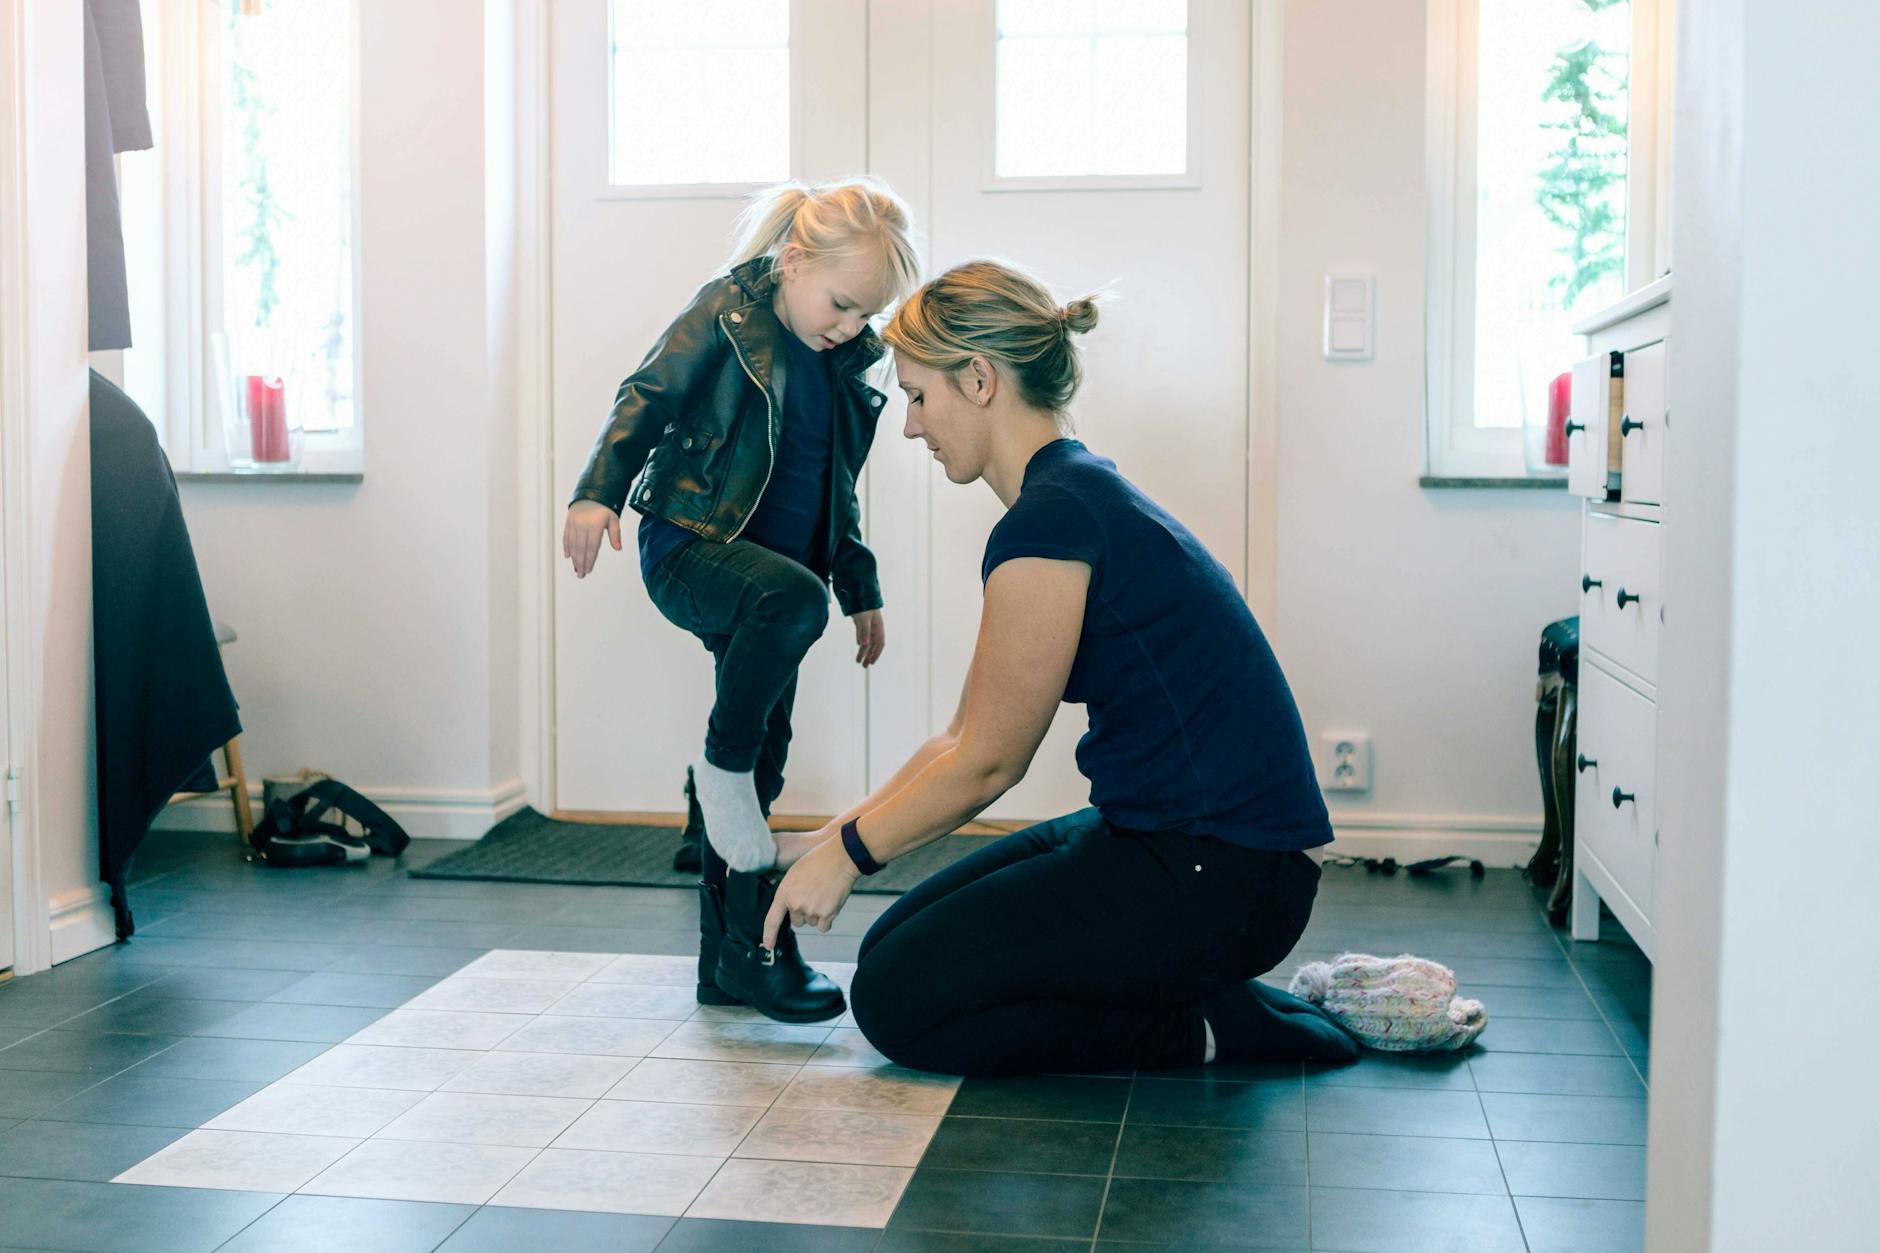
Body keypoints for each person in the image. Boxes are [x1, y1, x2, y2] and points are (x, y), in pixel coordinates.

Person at [763, 259, 1360, 1074]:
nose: (909, 425)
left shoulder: (1052, 522)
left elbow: (990, 763)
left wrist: (850, 857)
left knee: (895, 998)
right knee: (893, 944)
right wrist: (833, 837)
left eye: (918, 396)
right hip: (1171, 840)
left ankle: (1205, 1028)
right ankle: (1193, 992)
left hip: (1224, 875)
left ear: (979, 379)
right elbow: (960, 737)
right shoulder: (1072, 495)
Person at [563, 178, 920, 1024]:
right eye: (840, 304)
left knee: (765, 758)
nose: (849, 327)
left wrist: (859, 585)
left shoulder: (841, 363)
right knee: (752, 722)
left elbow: (835, 489)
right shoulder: (726, 310)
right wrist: (596, 492)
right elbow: (647, 393)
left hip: (775, 588)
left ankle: (733, 958)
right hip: (692, 543)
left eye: (864, 315)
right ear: (793, 261)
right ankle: (717, 779)